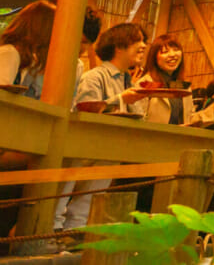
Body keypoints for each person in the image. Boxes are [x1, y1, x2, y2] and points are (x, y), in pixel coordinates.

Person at [58, 23, 148, 233]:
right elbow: (84, 113)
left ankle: (75, 233)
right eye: (137, 41)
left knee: (90, 198)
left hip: (109, 150)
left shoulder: (128, 81)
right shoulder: (95, 76)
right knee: (63, 196)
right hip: (81, 150)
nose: (143, 46)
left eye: (144, 41)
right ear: (118, 46)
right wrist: (120, 99)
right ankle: (53, 232)